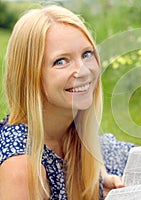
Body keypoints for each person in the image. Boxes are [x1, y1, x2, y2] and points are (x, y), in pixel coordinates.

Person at [0, 5, 123, 199]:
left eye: (86, 54)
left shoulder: (73, 130)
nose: (83, 71)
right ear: (30, 77)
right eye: (61, 61)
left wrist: (101, 178)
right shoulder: (21, 168)